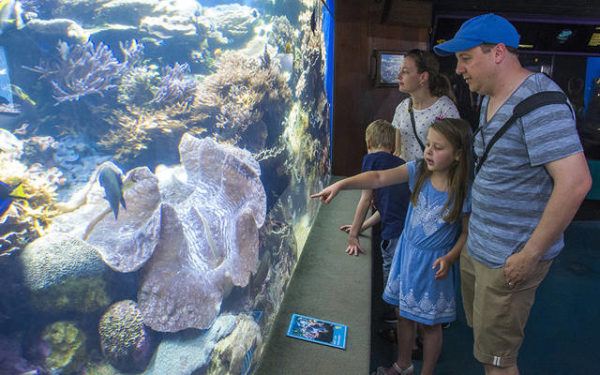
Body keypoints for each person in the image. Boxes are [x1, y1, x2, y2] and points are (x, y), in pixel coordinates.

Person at [433, 13, 592, 375]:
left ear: (499, 53)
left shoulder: (542, 105)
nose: (458, 69)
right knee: (484, 341)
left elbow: (576, 182)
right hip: (481, 247)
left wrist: (530, 255)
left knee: (498, 362)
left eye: (466, 58)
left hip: (509, 258)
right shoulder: (490, 98)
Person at [312, 118, 473, 375]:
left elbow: (465, 232)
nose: (429, 151)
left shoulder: (462, 191)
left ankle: (426, 372)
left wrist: (451, 258)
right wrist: (341, 184)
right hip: (407, 256)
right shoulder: (418, 171)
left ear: (458, 155)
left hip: (434, 265)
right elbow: (376, 177)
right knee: (403, 315)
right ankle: (403, 363)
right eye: (428, 144)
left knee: (431, 326)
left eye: (438, 147)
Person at [338, 120, 410, 322]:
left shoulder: (372, 161)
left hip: (394, 234)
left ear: (369, 143)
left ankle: (396, 319)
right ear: (393, 145)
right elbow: (388, 207)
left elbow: (366, 198)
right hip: (409, 230)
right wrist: (361, 226)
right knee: (404, 275)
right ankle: (406, 318)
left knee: (391, 274)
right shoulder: (401, 165)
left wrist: (353, 236)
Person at [392, 49, 460, 161]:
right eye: (400, 71)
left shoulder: (445, 108)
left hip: (431, 176)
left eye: (405, 71)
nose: (399, 76)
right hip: (405, 174)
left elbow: (454, 151)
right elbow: (397, 151)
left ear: (423, 77)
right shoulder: (402, 107)